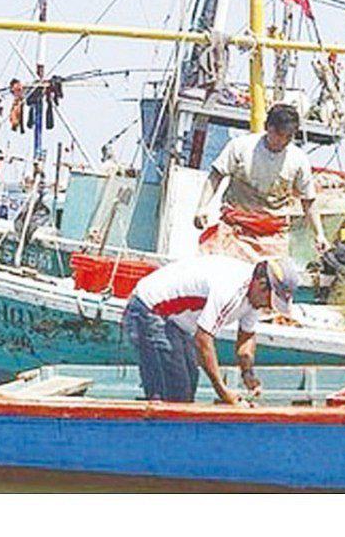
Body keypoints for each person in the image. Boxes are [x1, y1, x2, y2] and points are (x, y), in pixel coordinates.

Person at [122, 254, 300, 404]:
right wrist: (223, 392)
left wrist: (247, 373)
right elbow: (203, 340)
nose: (268, 307)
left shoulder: (255, 300)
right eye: (269, 301)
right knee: (174, 391)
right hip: (149, 309)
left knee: (189, 381)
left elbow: (246, 336)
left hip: (176, 321)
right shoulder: (231, 289)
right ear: (261, 285)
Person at [193, 103, 328, 261]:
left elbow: (308, 201)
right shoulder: (241, 147)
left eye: (288, 137)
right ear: (267, 127)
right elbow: (216, 176)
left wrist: (319, 234)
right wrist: (202, 207)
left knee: (272, 278)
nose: (282, 140)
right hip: (235, 228)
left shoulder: (298, 160)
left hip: (273, 235)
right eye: (278, 134)